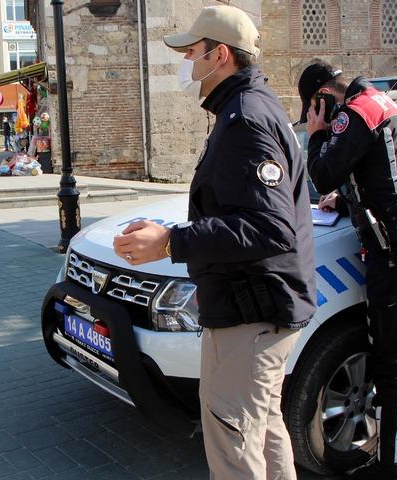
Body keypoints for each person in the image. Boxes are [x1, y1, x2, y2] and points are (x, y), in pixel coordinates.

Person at [113, 6, 316, 479]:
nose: (185, 63)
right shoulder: (247, 108)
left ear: (219, 55)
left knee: (233, 440)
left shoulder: (245, 119)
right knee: (262, 428)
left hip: (252, 316)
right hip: (259, 307)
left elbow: (270, 227)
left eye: (190, 53)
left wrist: (171, 242)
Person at [301, 62, 397, 480]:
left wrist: (316, 136)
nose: (317, 115)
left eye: (314, 107)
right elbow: (390, 177)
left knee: (393, 368)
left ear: (324, 97)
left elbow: (324, 171)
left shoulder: (354, 112)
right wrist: (345, 202)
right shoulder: (388, 106)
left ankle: (391, 470)